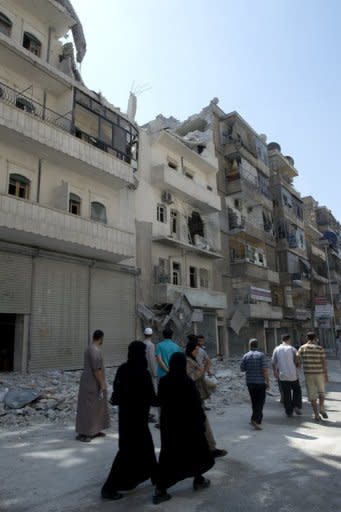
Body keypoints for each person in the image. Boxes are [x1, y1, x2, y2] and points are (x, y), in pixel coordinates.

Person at [153, 352, 215, 504]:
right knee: (195, 451)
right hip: (188, 425)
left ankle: (161, 489)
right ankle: (198, 479)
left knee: (170, 456)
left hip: (170, 426)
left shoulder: (164, 381)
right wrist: (201, 421)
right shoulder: (187, 382)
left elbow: (159, 401)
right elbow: (195, 404)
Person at [101, 341, 158, 501]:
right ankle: (108, 488)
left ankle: (156, 477)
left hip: (126, 419)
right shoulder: (143, 373)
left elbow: (116, 394)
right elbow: (152, 398)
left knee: (145, 448)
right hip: (138, 420)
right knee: (127, 453)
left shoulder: (122, 369)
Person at [186, 338, 227, 458]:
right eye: (196, 350)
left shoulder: (191, 360)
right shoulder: (187, 362)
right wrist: (202, 370)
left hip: (198, 396)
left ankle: (209, 447)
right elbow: (191, 377)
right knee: (202, 424)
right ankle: (209, 448)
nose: (197, 352)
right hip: (193, 398)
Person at [75, 329, 110, 442]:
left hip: (91, 382)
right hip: (92, 383)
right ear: (101, 338)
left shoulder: (91, 349)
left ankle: (95, 430)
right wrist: (102, 383)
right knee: (89, 408)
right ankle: (86, 432)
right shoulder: (94, 350)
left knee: (96, 407)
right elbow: (96, 370)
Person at [297, 331, 329, 421]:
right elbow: (324, 362)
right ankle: (322, 408)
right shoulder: (320, 348)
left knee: (312, 395)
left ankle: (316, 415)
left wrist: (299, 364)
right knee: (321, 392)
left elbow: (297, 357)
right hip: (319, 373)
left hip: (308, 374)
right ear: (315, 338)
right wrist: (326, 374)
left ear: (307, 338)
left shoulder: (302, 348)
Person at [240, 338, 270, 430]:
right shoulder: (261, 355)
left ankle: (258, 419)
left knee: (254, 401)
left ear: (250, 345)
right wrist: (267, 381)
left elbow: (242, 369)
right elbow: (264, 370)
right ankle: (254, 419)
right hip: (260, 382)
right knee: (260, 402)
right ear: (258, 345)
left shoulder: (246, 356)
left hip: (250, 382)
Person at [272, 334, 302, 417]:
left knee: (286, 394)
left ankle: (289, 412)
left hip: (283, 376)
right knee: (297, 390)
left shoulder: (277, 349)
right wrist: (298, 365)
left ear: (282, 340)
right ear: (289, 339)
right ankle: (296, 405)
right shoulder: (292, 349)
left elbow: (273, 362)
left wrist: (275, 372)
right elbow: (297, 360)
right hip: (293, 375)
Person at [143, 327, 158, 423]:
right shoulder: (151, 345)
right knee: (150, 393)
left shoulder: (142, 343)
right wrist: (155, 373)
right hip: (149, 372)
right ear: (151, 335)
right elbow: (152, 360)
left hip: (143, 370)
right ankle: (148, 413)